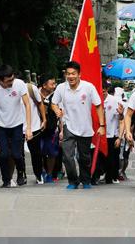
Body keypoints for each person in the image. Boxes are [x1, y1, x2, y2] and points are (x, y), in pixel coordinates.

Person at [51, 61, 105, 190]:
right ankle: (73, 181)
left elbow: (98, 106)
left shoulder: (88, 87)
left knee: (84, 157)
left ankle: (86, 180)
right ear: (65, 75)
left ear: (79, 74)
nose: (71, 76)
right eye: (68, 74)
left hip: (85, 127)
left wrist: (102, 125)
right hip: (68, 126)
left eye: (73, 74)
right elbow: (54, 103)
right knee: (67, 156)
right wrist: (56, 110)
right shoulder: (61, 88)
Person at [0, 65, 32, 188]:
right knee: (3, 154)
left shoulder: (19, 84)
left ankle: (21, 173)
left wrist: (28, 128)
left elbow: (27, 105)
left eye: (12, 79)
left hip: (17, 124)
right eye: (8, 81)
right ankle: (6, 180)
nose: (11, 82)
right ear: (0, 80)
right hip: (1, 125)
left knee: (16, 154)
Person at [24, 79, 47, 184]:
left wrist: (44, 119)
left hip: (34, 126)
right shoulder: (6, 90)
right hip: (16, 127)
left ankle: (38, 174)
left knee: (36, 153)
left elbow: (40, 103)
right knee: (17, 153)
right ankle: (21, 175)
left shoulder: (30, 88)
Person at [39, 76, 59, 183]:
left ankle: (50, 174)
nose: (54, 86)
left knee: (52, 152)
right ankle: (41, 171)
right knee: (39, 151)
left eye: (55, 84)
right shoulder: (34, 94)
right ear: (44, 85)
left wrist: (61, 130)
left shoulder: (56, 96)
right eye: (52, 84)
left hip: (52, 129)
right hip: (37, 128)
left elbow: (61, 112)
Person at [102, 84, 124, 184]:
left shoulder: (114, 101)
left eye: (104, 91)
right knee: (101, 157)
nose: (102, 93)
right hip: (99, 134)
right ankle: (101, 174)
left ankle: (112, 176)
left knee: (112, 157)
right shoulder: (94, 99)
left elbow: (121, 119)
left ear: (107, 90)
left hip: (112, 134)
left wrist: (119, 137)